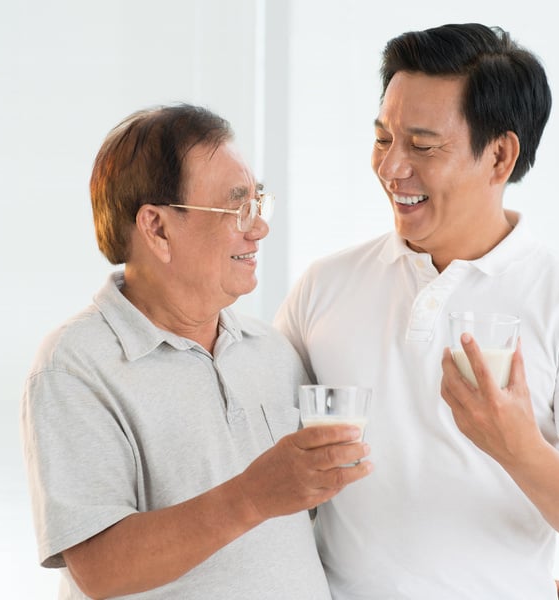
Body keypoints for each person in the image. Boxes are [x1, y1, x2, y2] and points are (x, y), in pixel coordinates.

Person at [275, 23, 559, 599]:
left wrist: (518, 448)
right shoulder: (323, 286)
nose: (392, 167)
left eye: (423, 145)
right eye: (382, 138)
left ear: (499, 156)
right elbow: (258, 465)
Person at [19, 103, 371, 599]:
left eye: (258, 202)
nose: (258, 228)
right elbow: (99, 568)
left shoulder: (272, 351)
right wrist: (252, 496)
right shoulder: (75, 365)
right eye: (236, 208)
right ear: (157, 228)